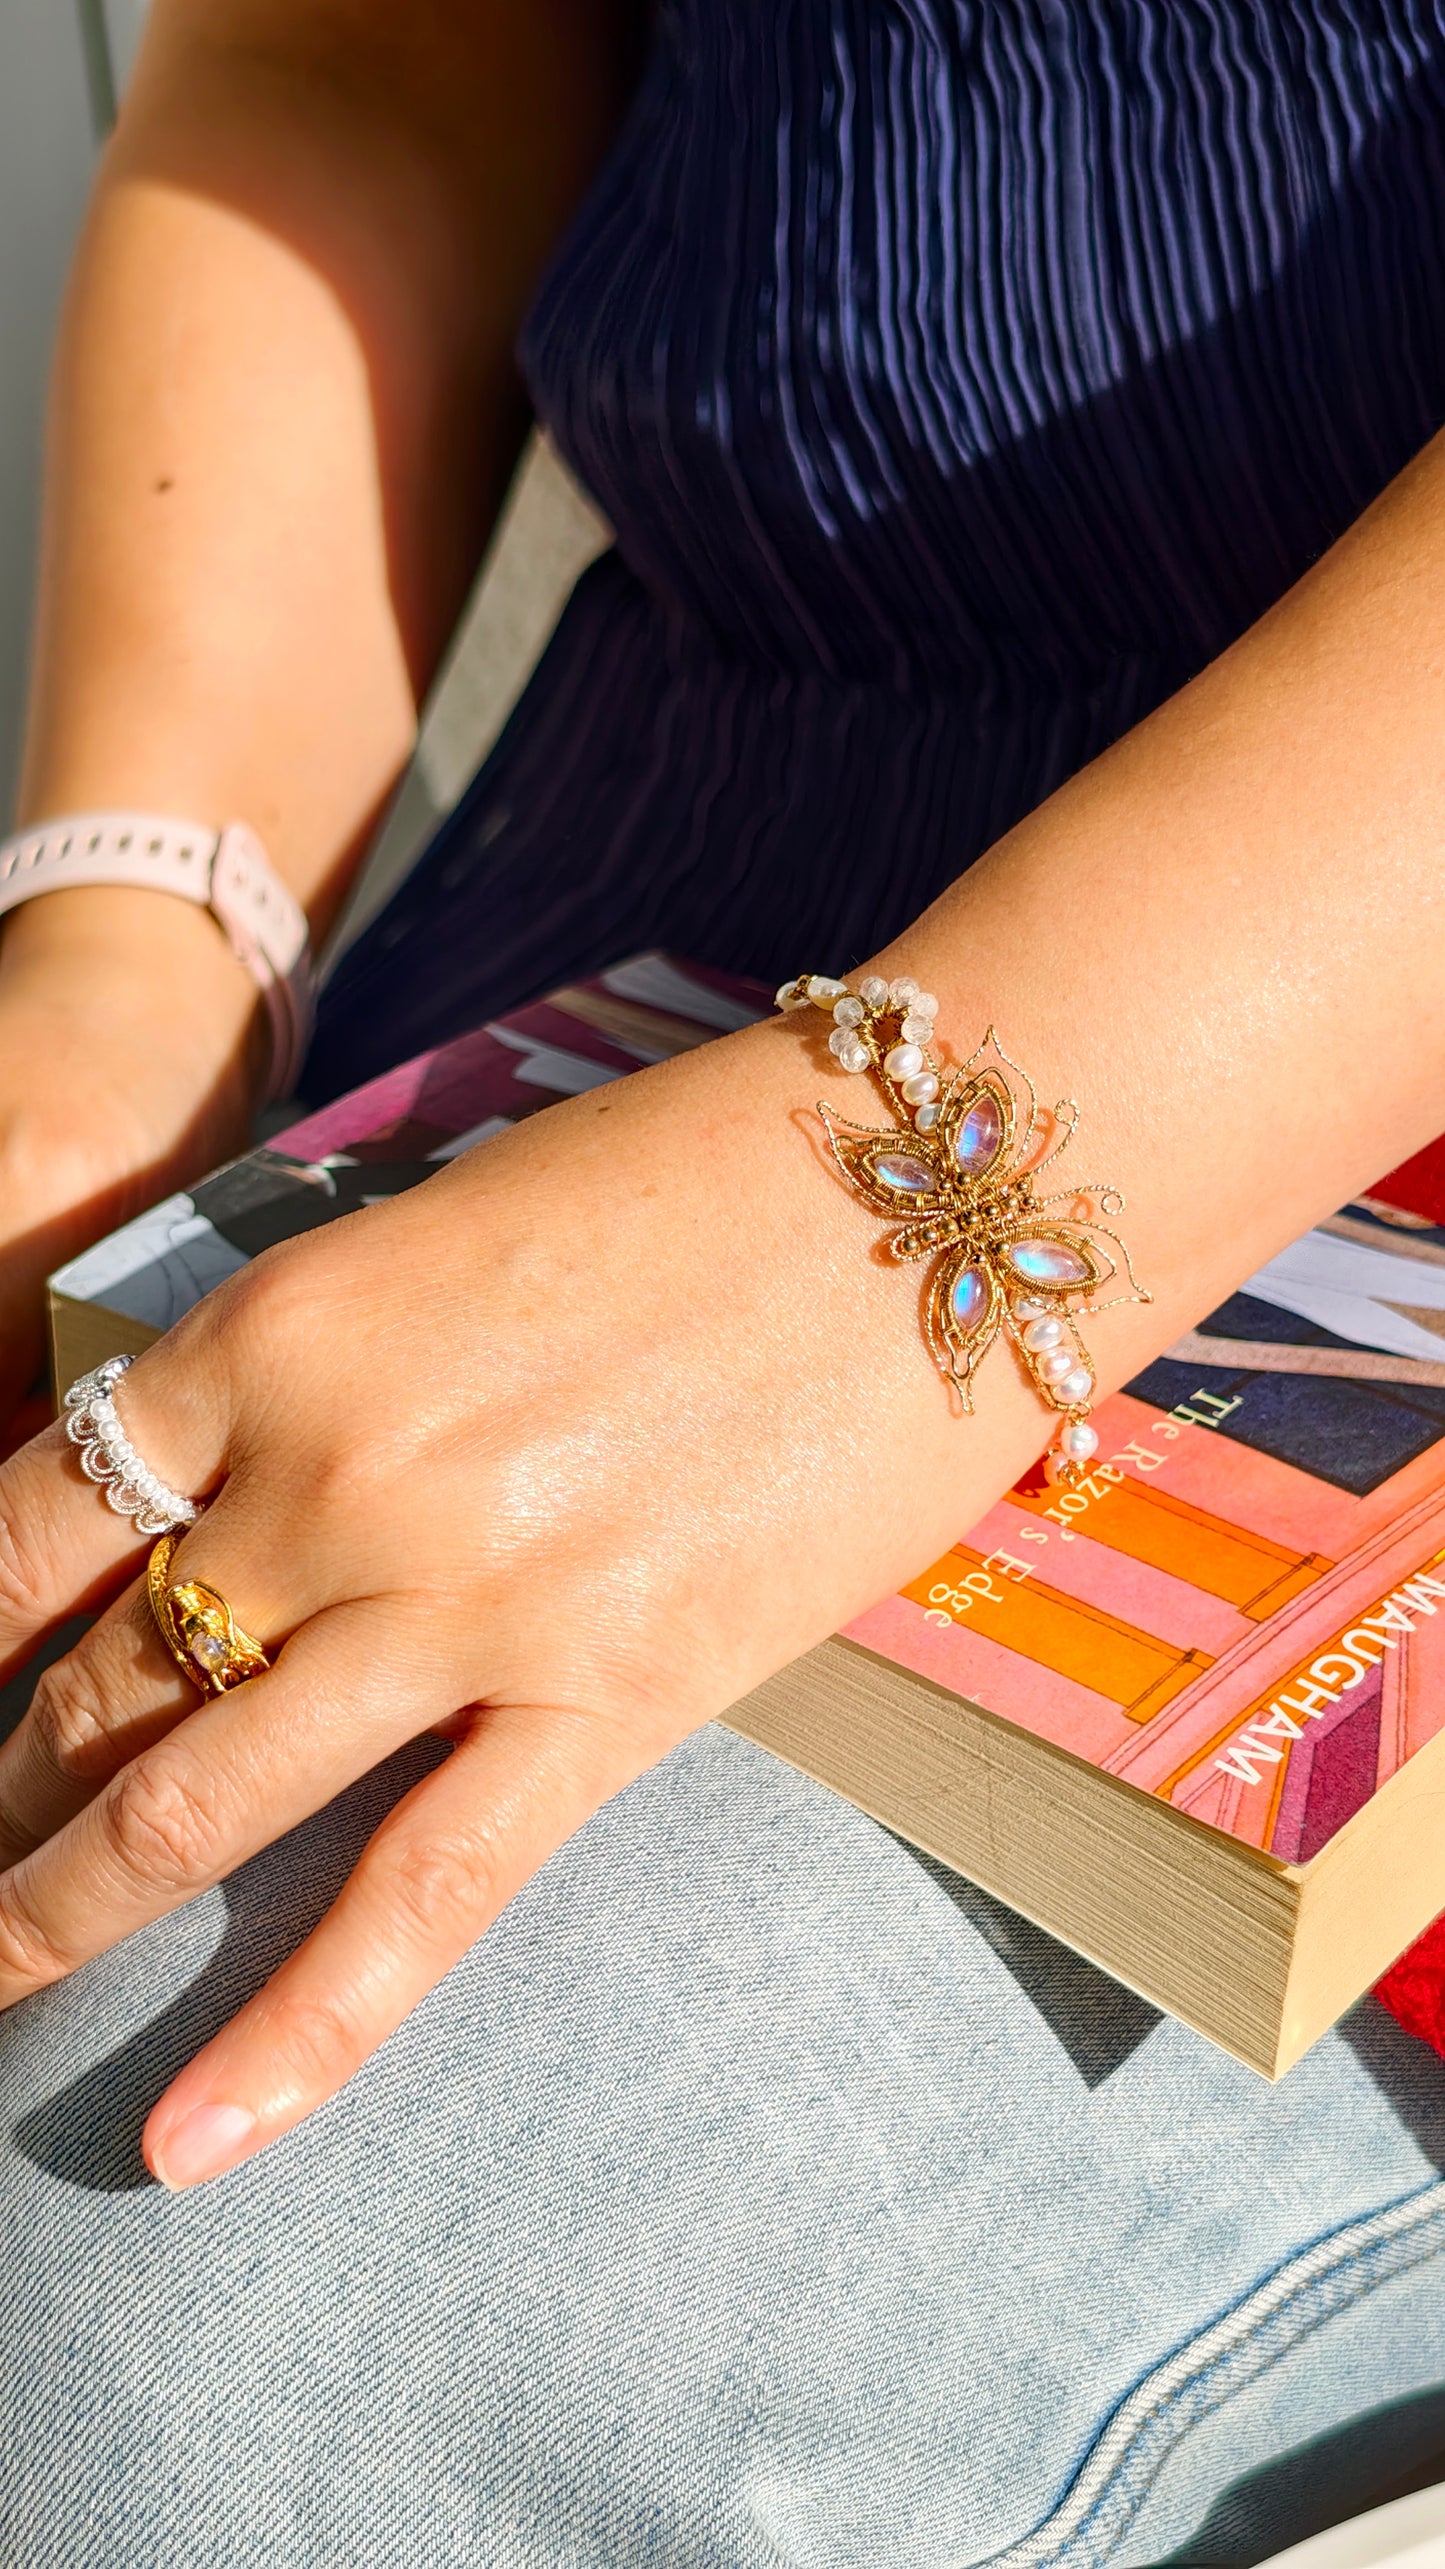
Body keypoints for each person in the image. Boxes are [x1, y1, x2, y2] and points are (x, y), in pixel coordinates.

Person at [2, 0, 1445, 2559]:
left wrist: (871, 1207)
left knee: (152, 2278)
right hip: (643, 941)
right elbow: (370, 60)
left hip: (1322, 1101)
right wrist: (127, 963)